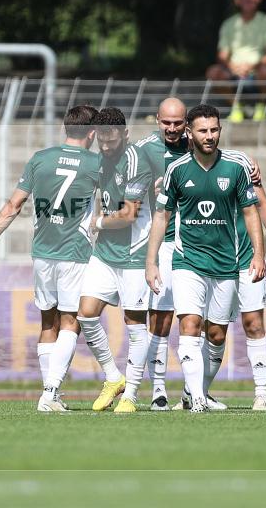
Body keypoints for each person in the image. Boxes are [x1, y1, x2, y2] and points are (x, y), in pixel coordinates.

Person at [0, 105, 99, 412]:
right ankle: (50, 391)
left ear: (65, 130)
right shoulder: (98, 164)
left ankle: (51, 394)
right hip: (75, 252)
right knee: (72, 321)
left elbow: (12, 206)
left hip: (43, 252)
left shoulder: (40, 159)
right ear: (93, 134)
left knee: (48, 320)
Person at [145, 104, 265, 413]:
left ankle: (192, 391)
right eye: (203, 130)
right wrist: (152, 261)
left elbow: (251, 213)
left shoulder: (235, 168)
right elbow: (161, 217)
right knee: (190, 323)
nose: (209, 136)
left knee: (216, 333)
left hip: (226, 264)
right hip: (188, 261)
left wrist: (260, 254)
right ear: (190, 132)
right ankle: (198, 400)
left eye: (214, 130)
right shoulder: (178, 169)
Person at [178, 148, 266, 412]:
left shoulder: (238, 163)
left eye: (212, 129)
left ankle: (261, 394)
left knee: (253, 322)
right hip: (212, 262)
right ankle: (195, 393)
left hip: (246, 257)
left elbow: (259, 203)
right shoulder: (179, 166)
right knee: (215, 333)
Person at [78, 107, 162, 413]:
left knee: (134, 325)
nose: (105, 144)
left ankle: (132, 394)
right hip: (105, 253)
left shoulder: (136, 161)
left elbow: (128, 215)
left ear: (125, 134)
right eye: (101, 137)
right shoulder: (98, 157)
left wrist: (96, 223)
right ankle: (114, 378)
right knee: (86, 314)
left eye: (111, 137)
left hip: (134, 254)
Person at [133, 98, 190, 411]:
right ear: (157, 120)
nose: (172, 129)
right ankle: (157, 390)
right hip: (162, 242)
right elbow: (119, 187)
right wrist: (145, 191)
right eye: (166, 122)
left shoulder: (197, 145)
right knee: (162, 316)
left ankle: (196, 391)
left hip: (195, 243)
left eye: (177, 123)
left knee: (199, 319)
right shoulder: (142, 149)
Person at [206, 0, 266, 122]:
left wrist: (253, 66)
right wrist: (233, 67)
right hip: (233, 72)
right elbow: (222, 56)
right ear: (237, 0)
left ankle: (261, 107)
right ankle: (236, 108)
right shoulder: (229, 24)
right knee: (213, 72)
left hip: (257, 71)